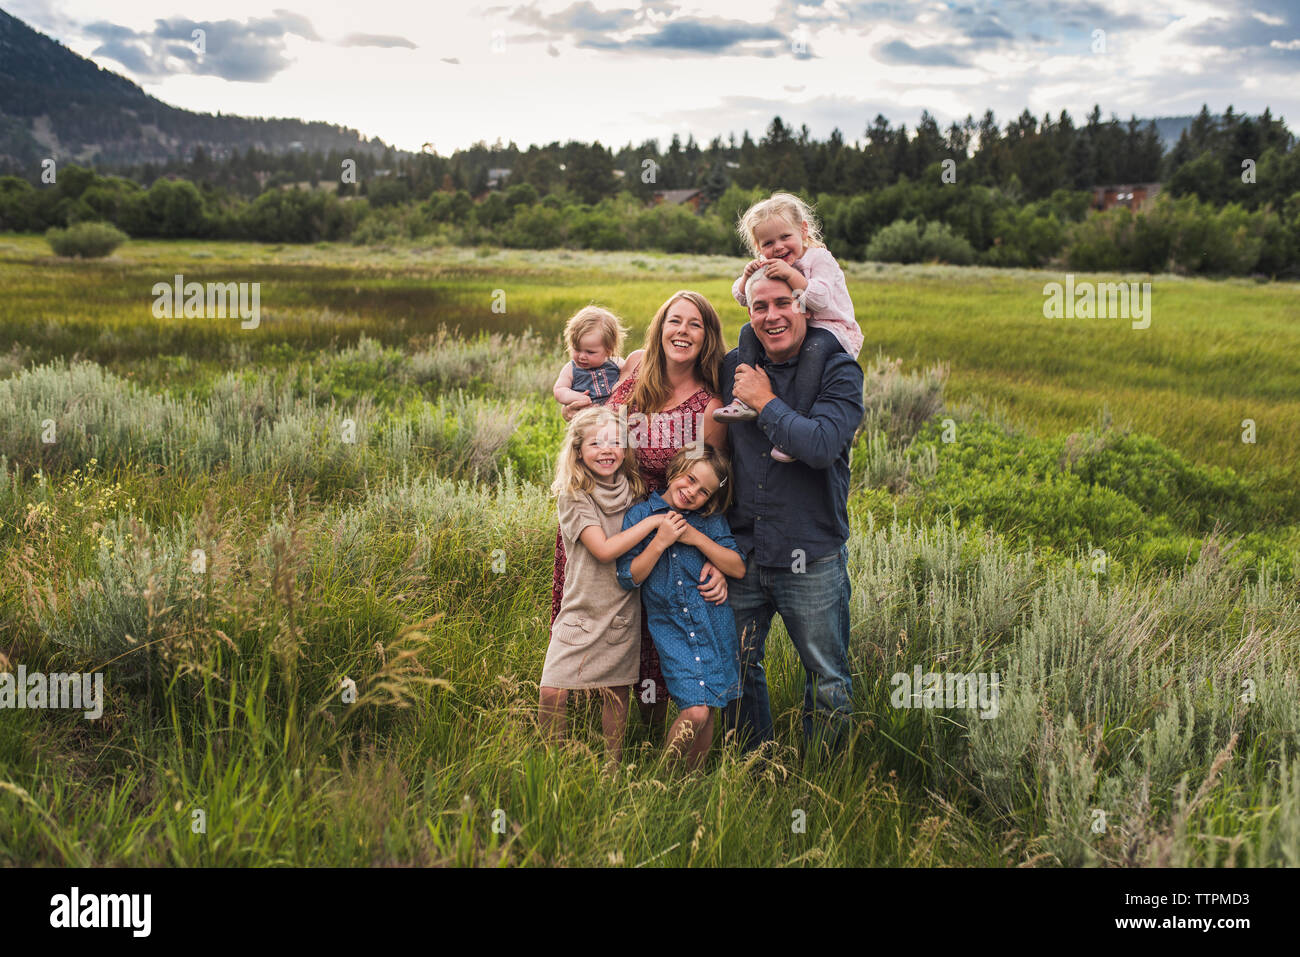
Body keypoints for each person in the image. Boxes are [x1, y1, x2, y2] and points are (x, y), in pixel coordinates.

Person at [554, 291, 729, 731]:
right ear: (660, 326)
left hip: (656, 532)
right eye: (675, 320)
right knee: (587, 620)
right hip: (600, 511)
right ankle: (579, 727)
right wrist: (576, 408)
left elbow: (705, 488)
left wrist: (718, 558)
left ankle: (645, 738)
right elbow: (593, 418)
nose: (683, 331)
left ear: (707, 337)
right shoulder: (632, 366)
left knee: (649, 637)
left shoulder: (708, 408)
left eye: (695, 324)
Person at [720, 270, 865, 758]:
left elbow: (822, 446)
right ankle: (756, 767)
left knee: (826, 677)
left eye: (783, 303)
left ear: (804, 305)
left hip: (813, 551)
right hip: (743, 550)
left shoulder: (838, 369)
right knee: (736, 665)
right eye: (760, 307)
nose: (772, 315)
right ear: (749, 313)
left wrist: (765, 403)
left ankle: (821, 779)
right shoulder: (732, 367)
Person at [538, 406, 665, 763]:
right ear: (578, 450)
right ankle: (553, 762)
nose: (606, 450)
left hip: (622, 605)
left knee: (615, 691)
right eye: (596, 443)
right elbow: (605, 550)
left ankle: (611, 765)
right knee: (553, 691)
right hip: (580, 607)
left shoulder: (634, 491)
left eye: (615, 442)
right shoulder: (574, 495)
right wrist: (654, 525)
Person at [617, 444, 745, 770]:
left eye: (703, 491)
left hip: (713, 624)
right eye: (689, 480)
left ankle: (691, 785)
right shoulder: (640, 516)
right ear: (675, 470)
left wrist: (696, 539)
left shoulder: (709, 521)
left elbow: (737, 567)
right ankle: (659, 780)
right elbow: (629, 577)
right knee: (695, 710)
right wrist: (660, 541)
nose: (691, 492)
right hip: (671, 629)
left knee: (710, 707)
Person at [714, 192, 863, 465]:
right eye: (768, 242)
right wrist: (747, 276)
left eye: (785, 237)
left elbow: (818, 299)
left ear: (803, 230)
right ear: (759, 247)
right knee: (747, 331)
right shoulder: (771, 268)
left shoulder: (819, 260)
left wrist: (790, 275)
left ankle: (799, 418)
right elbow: (742, 296)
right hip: (809, 325)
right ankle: (742, 399)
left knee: (813, 351)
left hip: (833, 329)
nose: (779, 247)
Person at [552, 305, 627, 410]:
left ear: (608, 350)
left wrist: (619, 386)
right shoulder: (571, 369)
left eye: (590, 352)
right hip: (586, 417)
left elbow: (629, 380)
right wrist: (576, 396)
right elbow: (559, 390)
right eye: (577, 349)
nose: (582, 356)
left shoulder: (617, 363)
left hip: (614, 414)